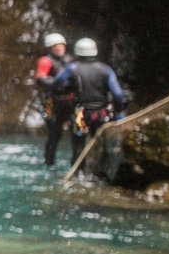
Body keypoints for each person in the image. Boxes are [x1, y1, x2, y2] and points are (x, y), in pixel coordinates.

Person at [46, 38, 129, 157]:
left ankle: (79, 172)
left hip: (80, 113)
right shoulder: (106, 69)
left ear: (77, 53)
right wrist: (119, 112)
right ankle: (101, 170)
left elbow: (57, 82)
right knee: (102, 143)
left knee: (78, 145)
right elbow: (118, 94)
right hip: (101, 113)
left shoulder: (72, 68)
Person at [33, 33, 75, 166]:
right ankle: (49, 161)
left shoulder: (70, 60)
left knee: (78, 131)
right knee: (54, 133)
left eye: (61, 45)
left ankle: (76, 162)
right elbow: (41, 79)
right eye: (55, 46)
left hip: (69, 101)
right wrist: (59, 83)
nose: (58, 48)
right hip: (51, 102)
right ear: (50, 48)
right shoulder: (46, 61)